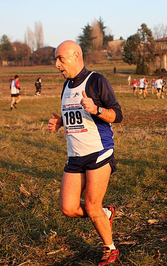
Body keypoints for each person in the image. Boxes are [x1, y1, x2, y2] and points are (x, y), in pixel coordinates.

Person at [48, 40, 122, 265]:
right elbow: (76, 116)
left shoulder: (96, 81)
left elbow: (117, 115)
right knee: (68, 208)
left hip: (99, 152)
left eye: (61, 59)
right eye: (56, 60)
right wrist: (61, 122)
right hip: (75, 156)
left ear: (76, 56)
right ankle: (105, 214)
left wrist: (97, 109)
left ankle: (110, 248)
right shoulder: (66, 85)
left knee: (91, 204)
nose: (57, 65)